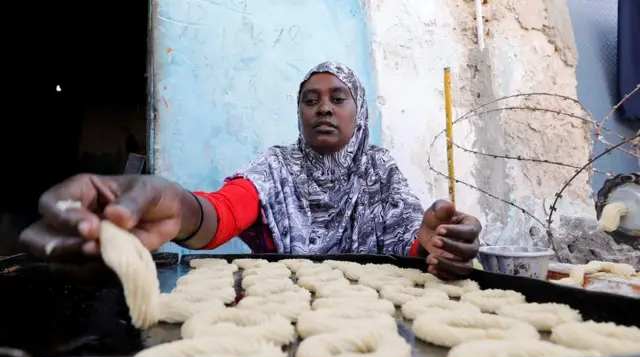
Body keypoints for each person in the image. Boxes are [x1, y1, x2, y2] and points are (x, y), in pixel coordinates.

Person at [20, 62, 482, 280]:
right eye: (310, 99)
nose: (323, 107)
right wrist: (177, 207)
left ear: (357, 111)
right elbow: (220, 213)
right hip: (280, 321)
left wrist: (436, 243)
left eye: (337, 97)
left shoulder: (379, 170)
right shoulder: (276, 166)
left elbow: (410, 244)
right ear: (299, 112)